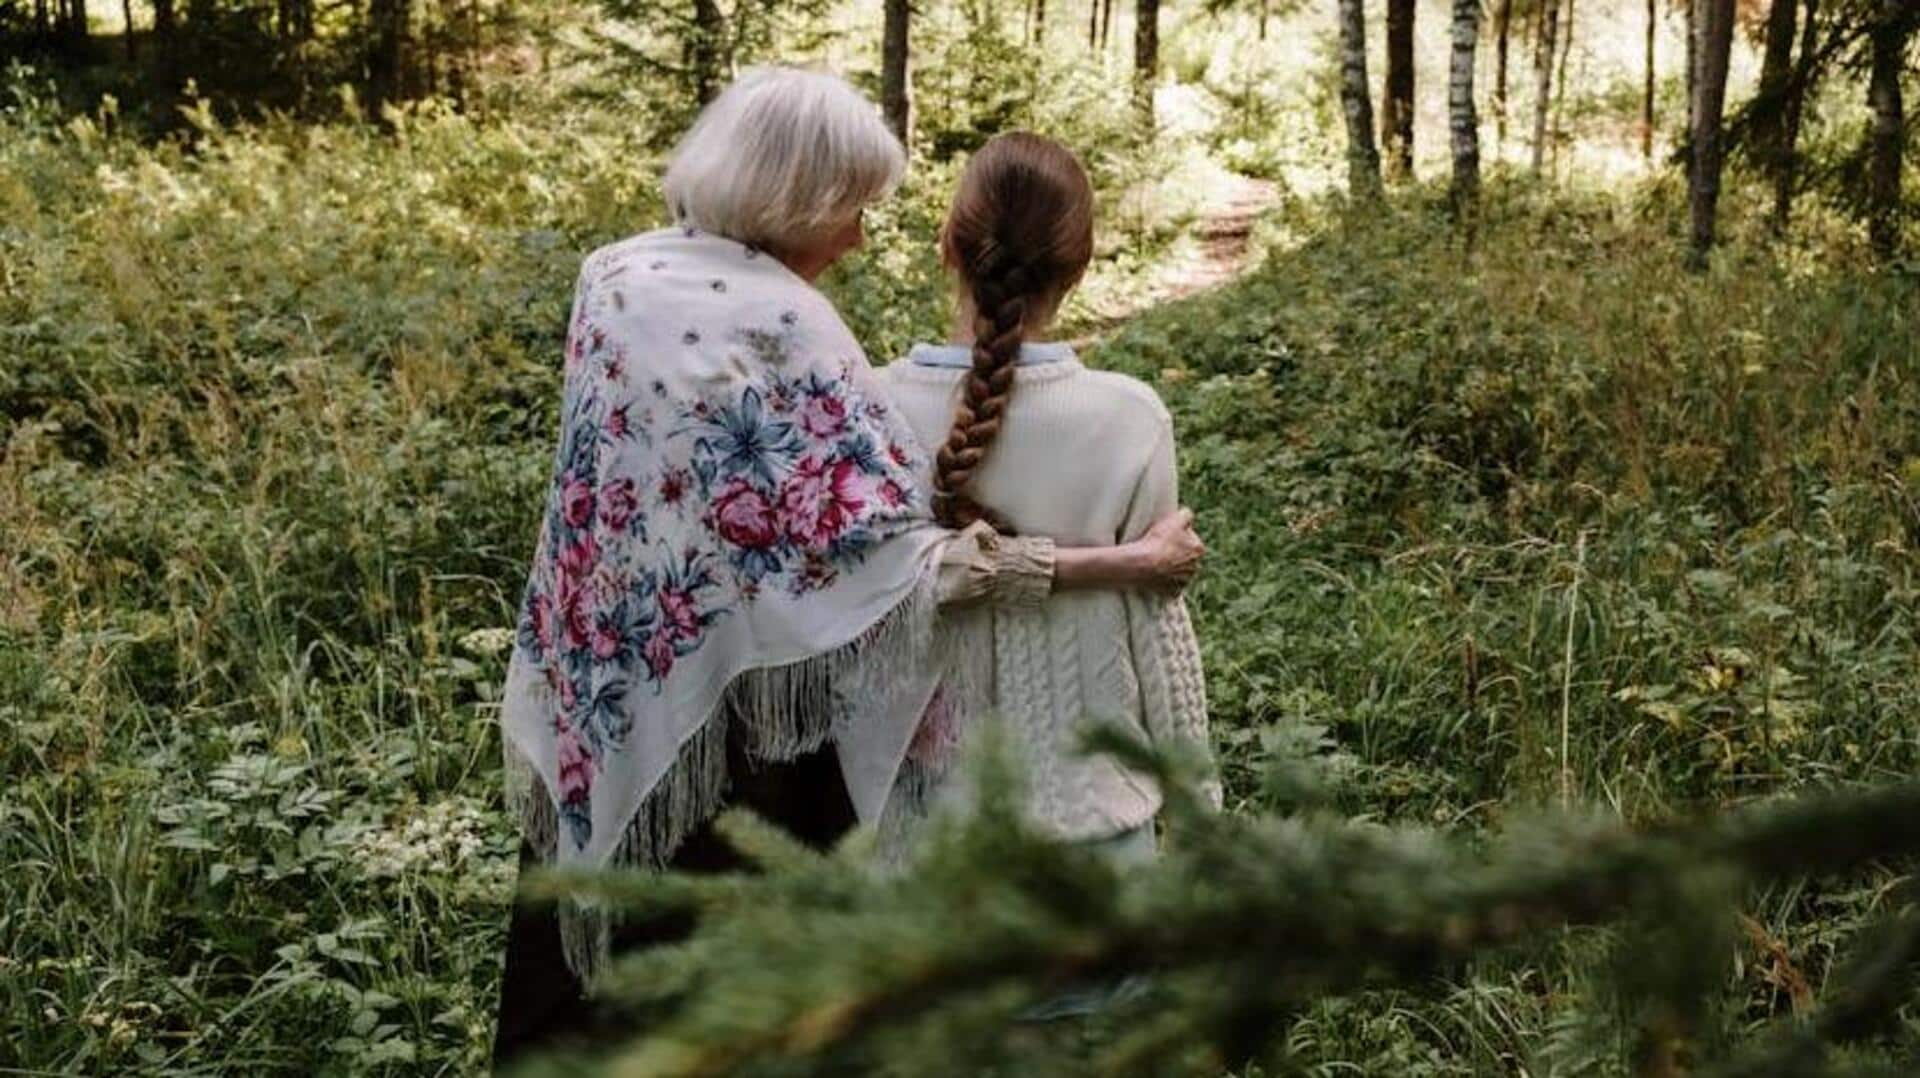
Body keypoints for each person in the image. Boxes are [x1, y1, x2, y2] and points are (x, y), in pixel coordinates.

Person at [489, 70, 1205, 1065]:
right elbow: (897, 564)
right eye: (854, 210)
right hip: (751, 730)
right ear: (795, 201)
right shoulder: (800, 331)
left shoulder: (616, 277)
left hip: (622, 682)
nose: (862, 238)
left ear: (958, 245)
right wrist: (1122, 561)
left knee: (618, 996)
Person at [874, 131, 1220, 914]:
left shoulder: (867, 406)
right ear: (1082, 263)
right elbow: (1157, 627)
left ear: (947, 245)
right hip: (1094, 839)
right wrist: (1197, 807)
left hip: (914, 837)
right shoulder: (1129, 418)